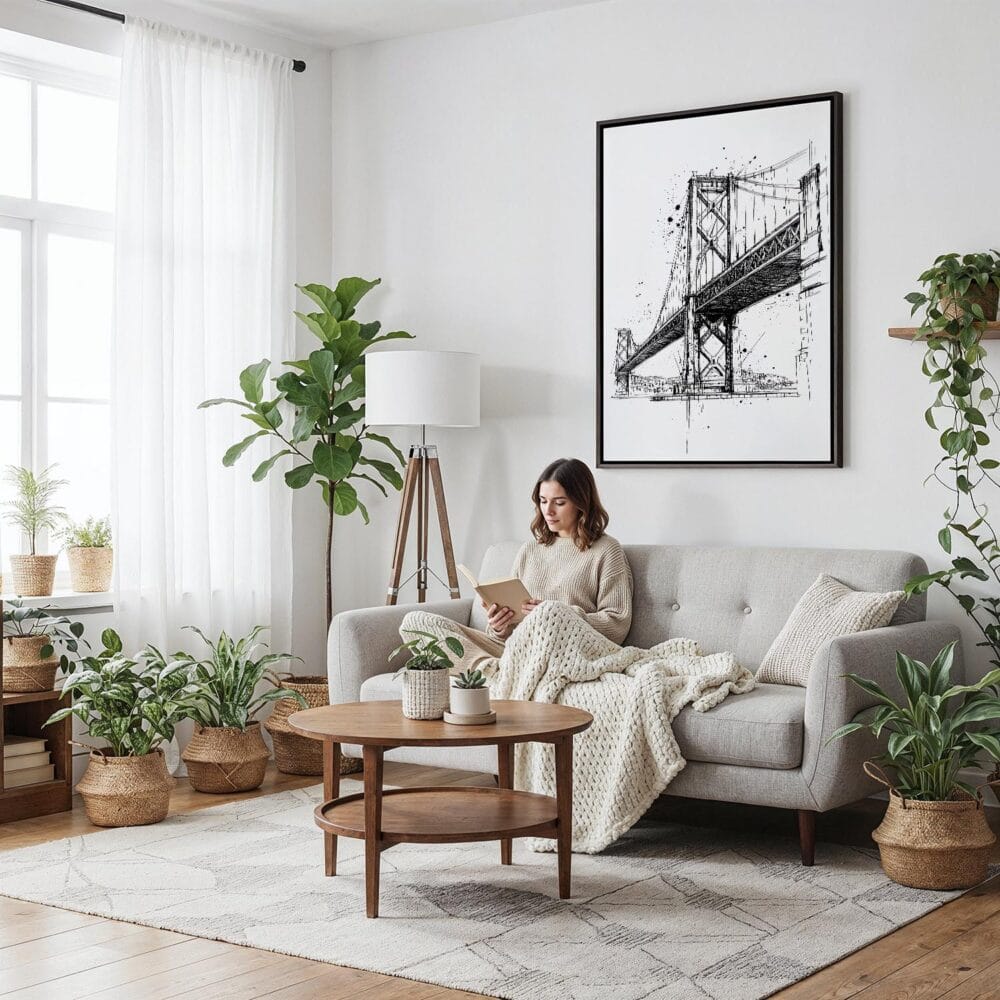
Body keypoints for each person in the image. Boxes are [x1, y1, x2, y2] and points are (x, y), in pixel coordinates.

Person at [399, 457, 633, 676]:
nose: (548, 511)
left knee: (550, 613)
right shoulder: (530, 550)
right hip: (515, 650)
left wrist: (557, 614)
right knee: (416, 621)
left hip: (565, 651)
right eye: (543, 501)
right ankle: (491, 671)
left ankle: (497, 675)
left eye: (559, 503)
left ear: (582, 503)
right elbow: (504, 636)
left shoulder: (606, 550)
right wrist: (500, 626)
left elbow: (616, 625)